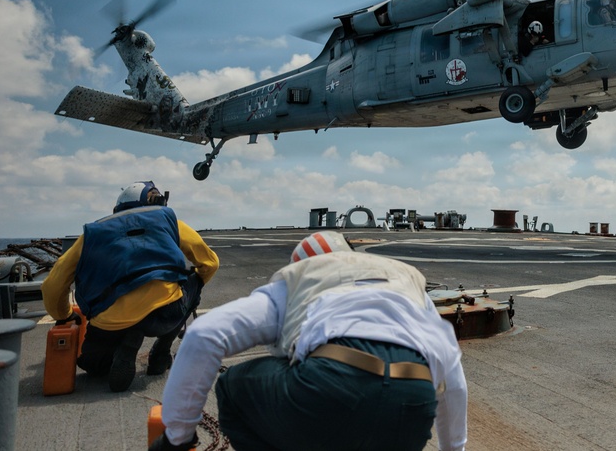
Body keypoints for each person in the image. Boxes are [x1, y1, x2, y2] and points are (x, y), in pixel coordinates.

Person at [151, 231, 468, 451]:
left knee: (233, 388)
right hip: (412, 403)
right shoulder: (407, 287)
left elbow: (205, 334)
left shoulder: (299, 282)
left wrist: (178, 437)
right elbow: (452, 378)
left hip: (331, 383)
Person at [42, 181, 218, 392]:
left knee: (95, 368)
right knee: (193, 282)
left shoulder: (93, 233)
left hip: (110, 322)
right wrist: (188, 285)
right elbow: (210, 263)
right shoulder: (168, 219)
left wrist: (65, 315)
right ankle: (161, 351)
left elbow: (52, 285)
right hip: (164, 315)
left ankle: (128, 341)